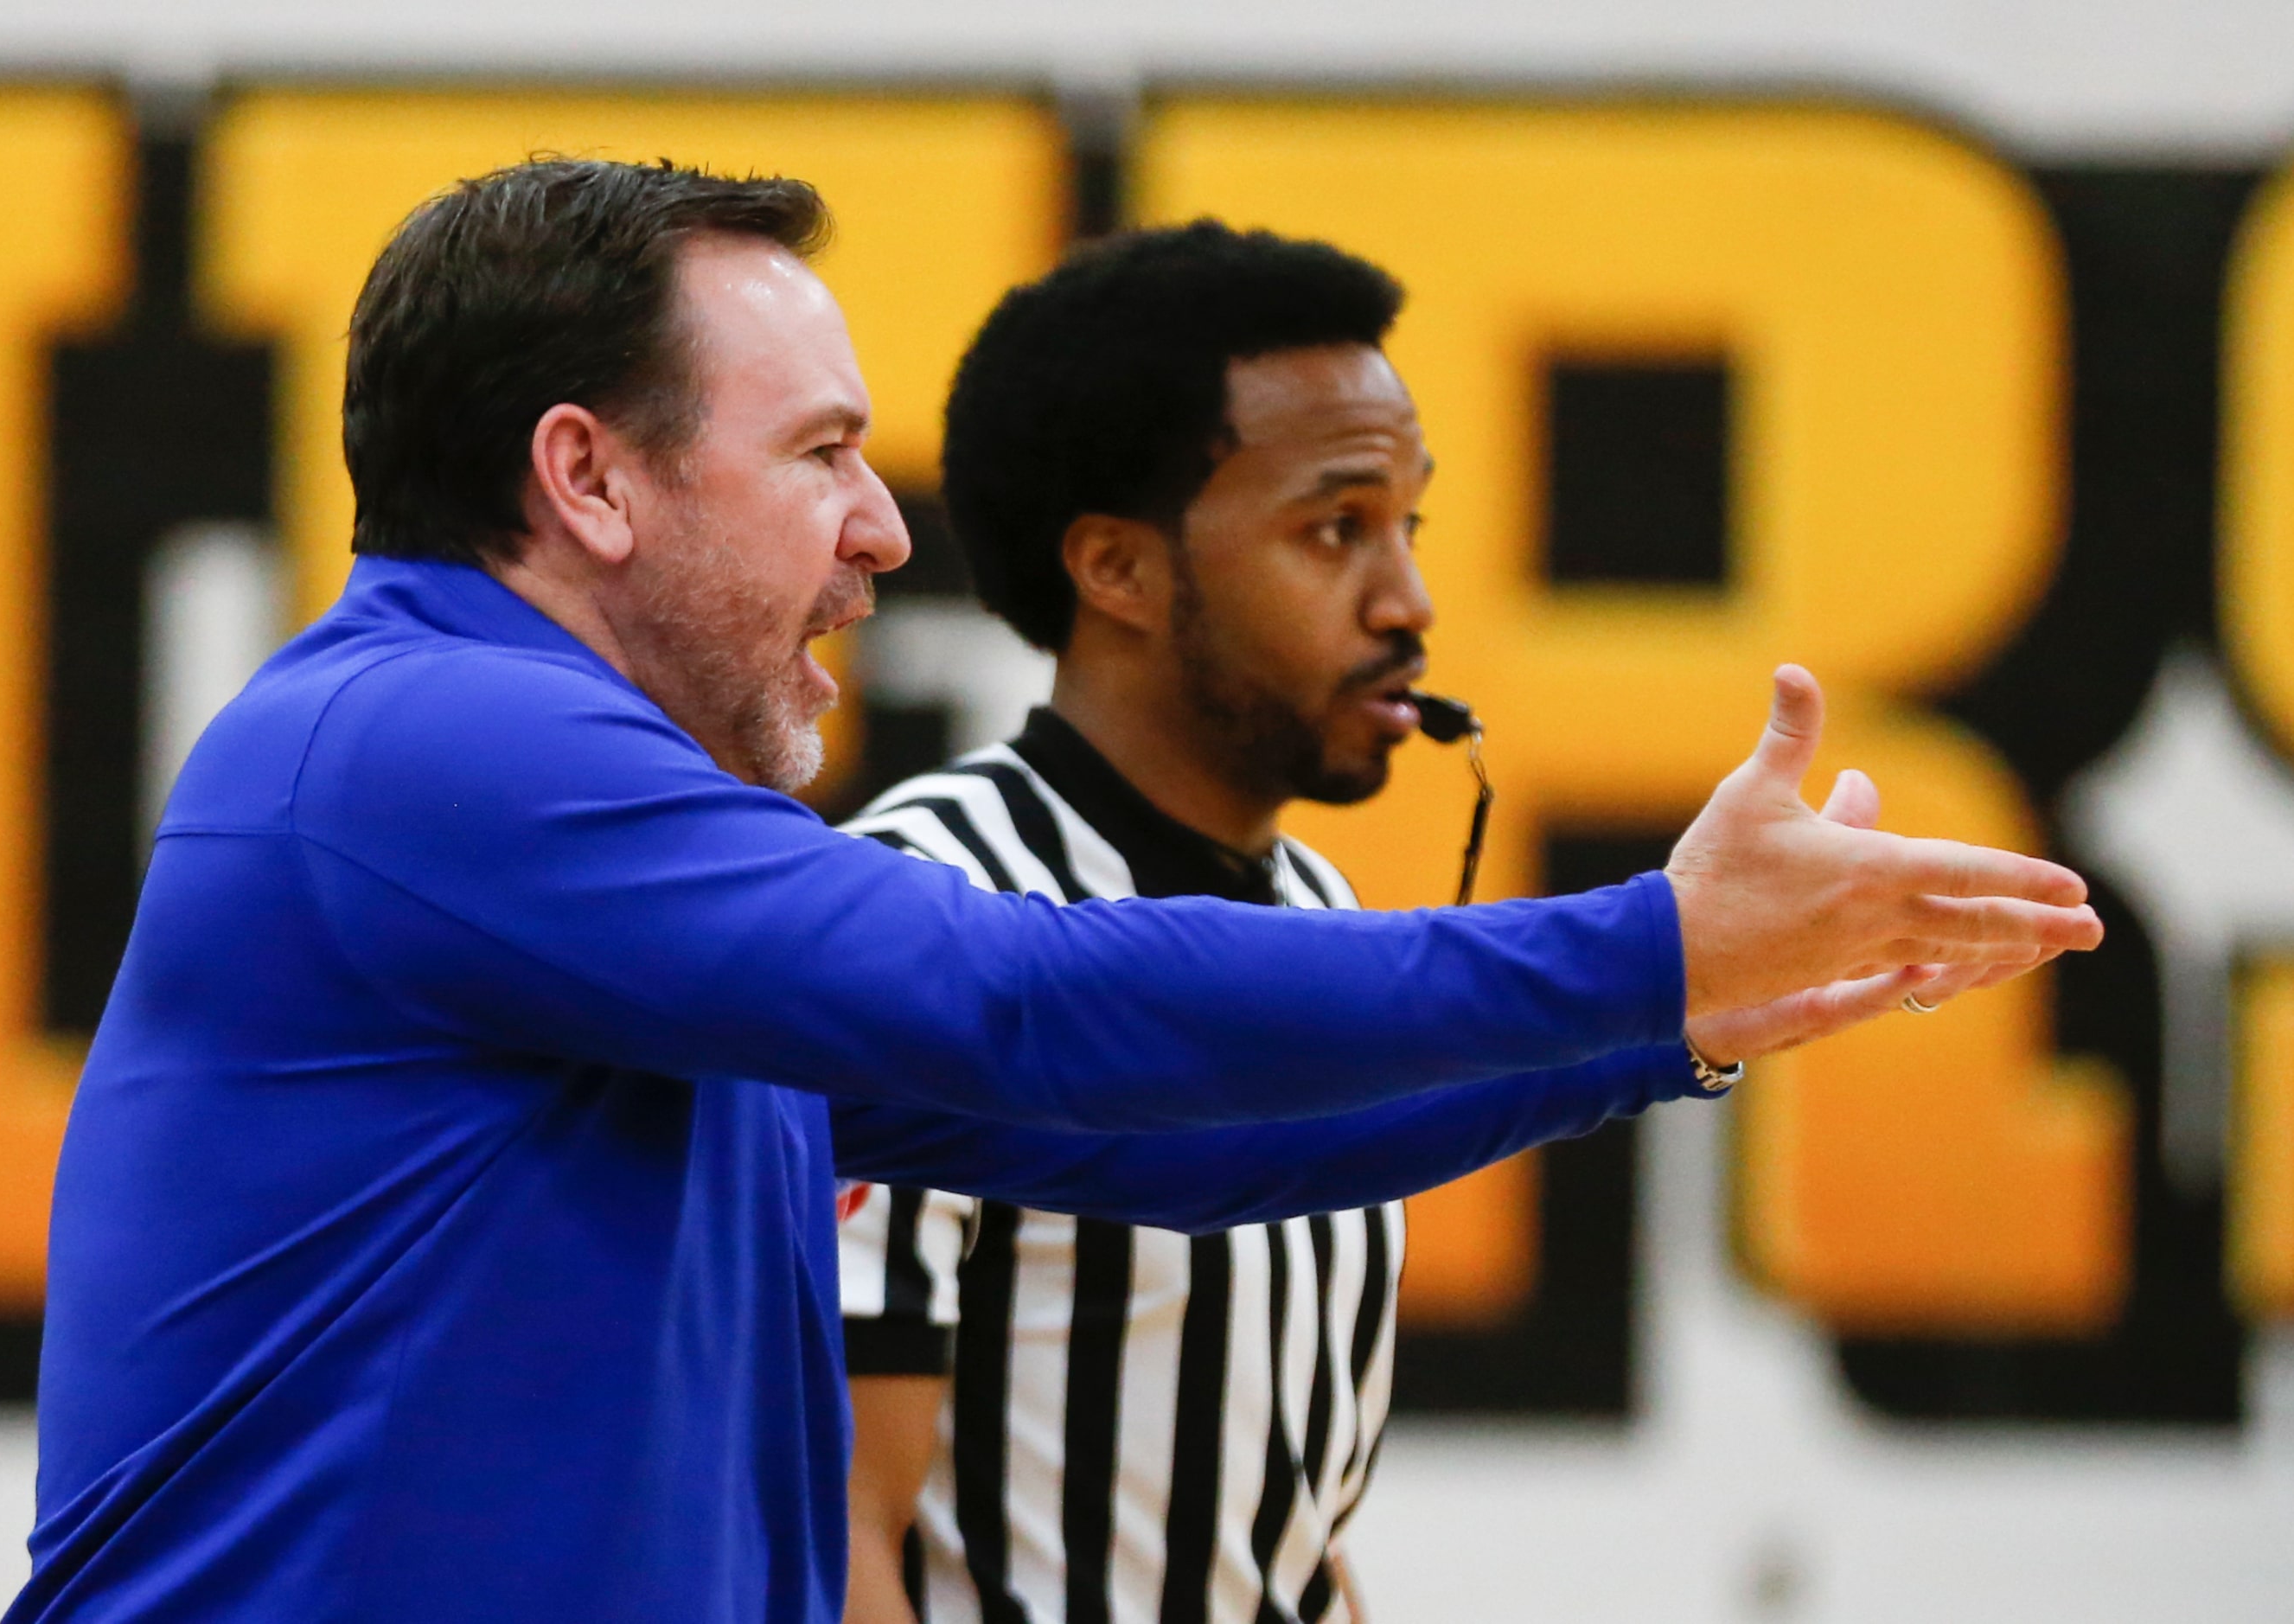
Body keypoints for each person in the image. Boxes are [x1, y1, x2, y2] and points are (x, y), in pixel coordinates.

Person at [11, 160, 2099, 1624]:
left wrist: (1669, 1025)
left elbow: (1135, 1136)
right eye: (821, 453)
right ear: (588, 480)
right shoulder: (416, 741)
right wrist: (1638, 943)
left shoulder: (598, 885)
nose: (884, 531)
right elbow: (1023, 1009)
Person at [833, 222, 2043, 1624]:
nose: (1407, 600)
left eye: (1409, 524)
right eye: (1333, 528)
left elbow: (1272, 1524)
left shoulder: (1322, 912)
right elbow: (835, 1525)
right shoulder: (918, 906)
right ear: (1117, 569)